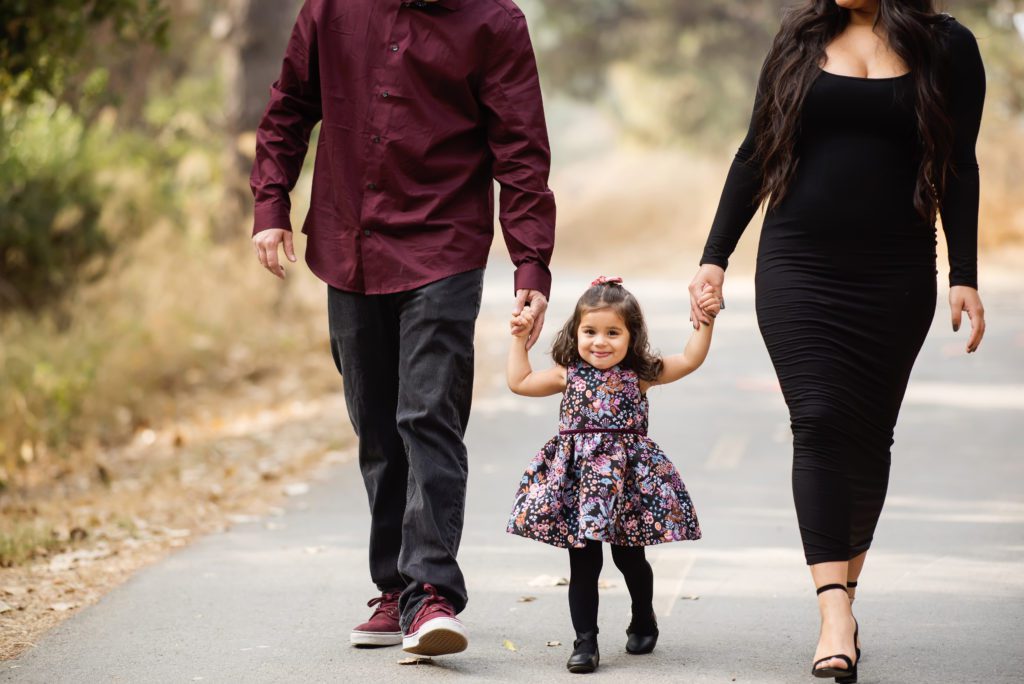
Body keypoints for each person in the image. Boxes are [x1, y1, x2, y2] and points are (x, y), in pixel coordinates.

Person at [687, 1, 987, 680]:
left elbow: (959, 165)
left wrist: (964, 274)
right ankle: (833, 613)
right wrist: (714, 257)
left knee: (869, 437)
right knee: (819, 420)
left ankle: (845, 595)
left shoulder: (947, 46)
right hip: (798, 261)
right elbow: (755, 150)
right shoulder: (800, 36)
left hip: (896, 270)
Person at [249, 0, 556, 657]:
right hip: (347, 242)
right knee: (377, 426)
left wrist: (531, 262)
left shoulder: (493, 22)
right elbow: (289, 106)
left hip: (444, 244)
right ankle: (394, 588)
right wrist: (271, 202)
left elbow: (520, 150)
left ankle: (431, 592)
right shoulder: (331, 8)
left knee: (428, 416)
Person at [505, 276, 720, 673]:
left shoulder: (639, 374)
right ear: (575, 332)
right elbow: (519, 382)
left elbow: (690, 359)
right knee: (583, 563)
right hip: (581, 487)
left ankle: (643, 617)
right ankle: (585, 642)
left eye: (612, 333)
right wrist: (519, 339)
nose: (599, 342)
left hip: (626, 486)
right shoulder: (567, 374)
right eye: (590, 332)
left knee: (630, 559)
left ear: (631, 336)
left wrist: (705, 320)